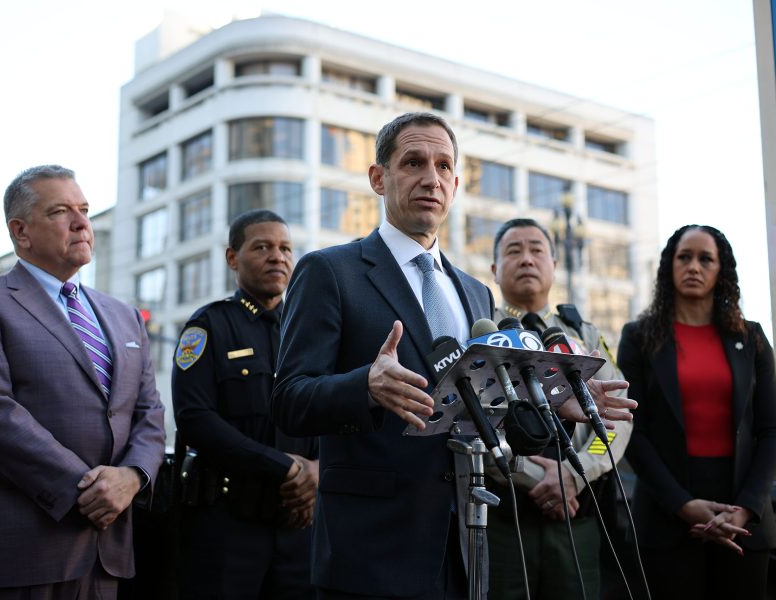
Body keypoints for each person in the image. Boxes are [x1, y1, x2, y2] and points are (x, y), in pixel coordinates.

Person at [271, 112, 634, 599]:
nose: (431, 178)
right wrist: (366, 385)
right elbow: (290, 399)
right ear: (378, 178)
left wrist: (552, 398)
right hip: (372, 548)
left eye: (444, 166)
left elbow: (485, 407)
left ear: (456, 184)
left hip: (469, 539)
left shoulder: (474, 294)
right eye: (413, 163)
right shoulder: (330, 272)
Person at [0, 165, 166, 597]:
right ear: (21, 231)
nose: (83, 223)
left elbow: (149, 412)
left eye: (84, 209)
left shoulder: (125, 315)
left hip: (108, 547)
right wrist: (86, 489)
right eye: (62, 212)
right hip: (24, 543)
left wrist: (132, 477)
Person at [617, 224, 776, 600]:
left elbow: (770, 430)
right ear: (668, 267)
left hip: (744, 518)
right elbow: (631, 430)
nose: (694, 266)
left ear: (722, 270)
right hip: (666, 515)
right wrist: (683, 505)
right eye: (684, 257)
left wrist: (746, 509)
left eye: (706, 259)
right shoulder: (638, 337)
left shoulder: (751, 339)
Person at [172, 209, 318, 599]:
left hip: (302, 525)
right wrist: (284, 468)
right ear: (232, 258)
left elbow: (331, 413)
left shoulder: (310, 331)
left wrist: (319, 471)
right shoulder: (209, 326)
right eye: (262, 247)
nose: (278, 257)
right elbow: (194, 419)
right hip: (228, 525)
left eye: (286, 248)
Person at [486, 218, 632, 600]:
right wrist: (536, 475)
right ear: (494, 270)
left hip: (577, 514)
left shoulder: (581, 334)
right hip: (505, 516)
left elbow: (615, 424)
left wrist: (576, 472)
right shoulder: (482, 335)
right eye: (513, 251)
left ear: (553, 263)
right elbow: (475, 426)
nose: (527, 259)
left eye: (537, 250)